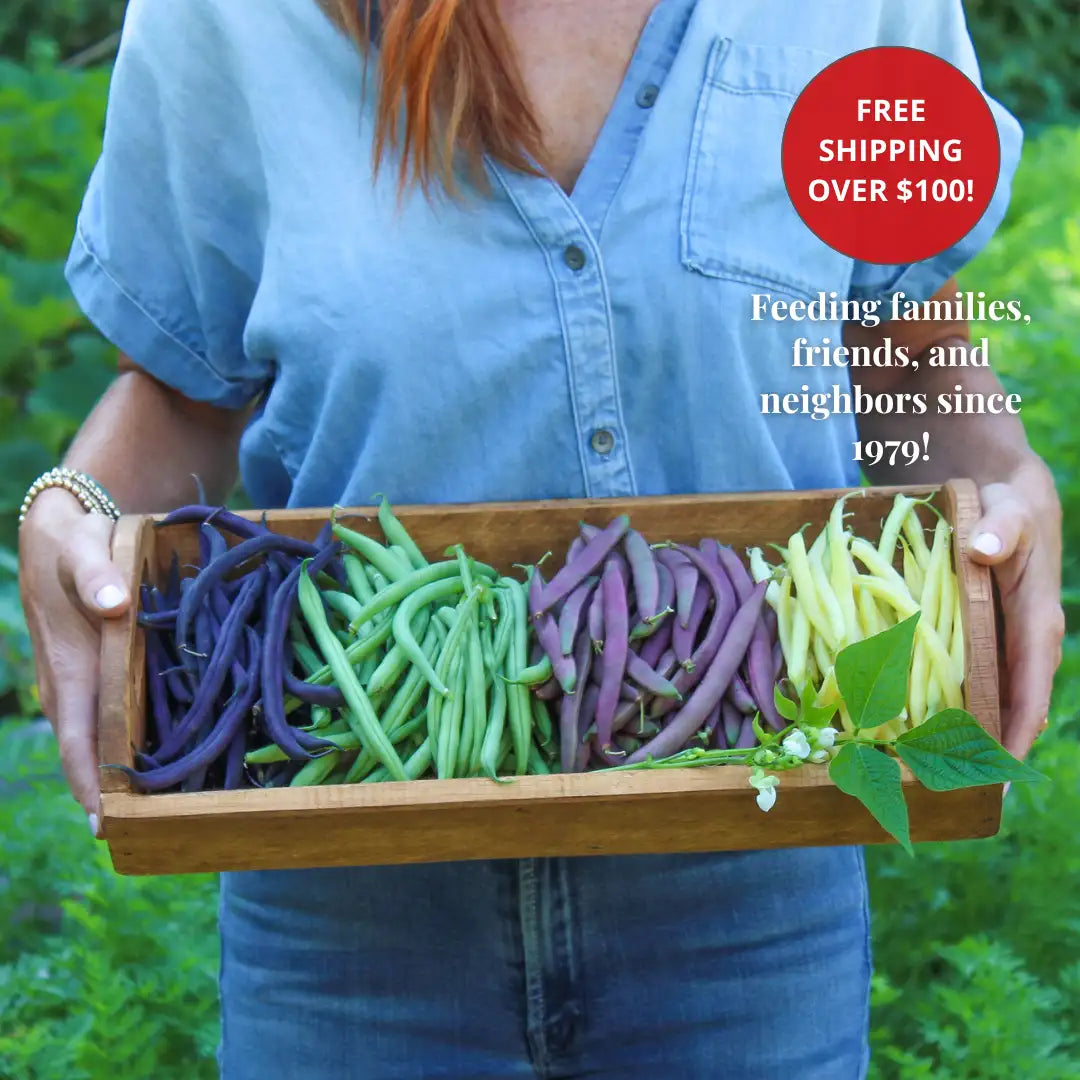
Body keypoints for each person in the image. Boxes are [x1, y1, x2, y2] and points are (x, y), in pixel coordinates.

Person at [17, 1, 1063, 1076]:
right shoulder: (227, 20)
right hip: (350, 908)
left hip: (752, 892)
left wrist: (1002, 473)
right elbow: (186, 388)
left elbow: (905, 347)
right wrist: (69, 501)